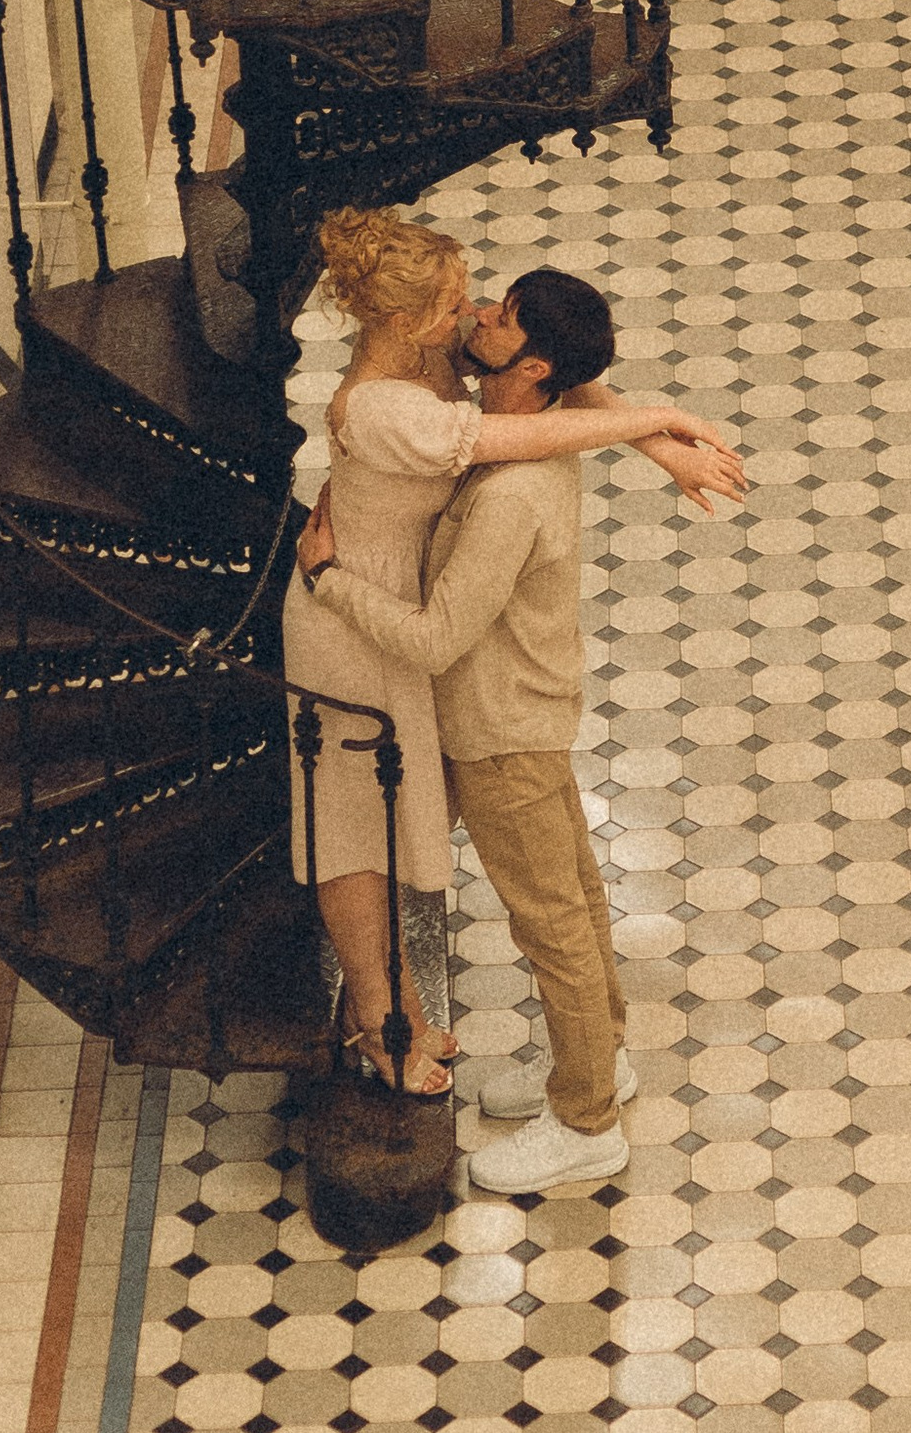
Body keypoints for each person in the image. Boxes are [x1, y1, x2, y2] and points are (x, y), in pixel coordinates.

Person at [296, 263, 737, 1190]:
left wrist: (330, 580)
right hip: (531, 711)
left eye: (501, 320)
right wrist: (659, 436)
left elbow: (434, 638)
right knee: (574, 898)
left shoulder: (507, 493)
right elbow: (584, 389)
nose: (478, 317)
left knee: (553, 932)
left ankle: (586, 1124)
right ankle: (599, 1064)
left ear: (532, 368)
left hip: (498, 734)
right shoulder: (533, 420)